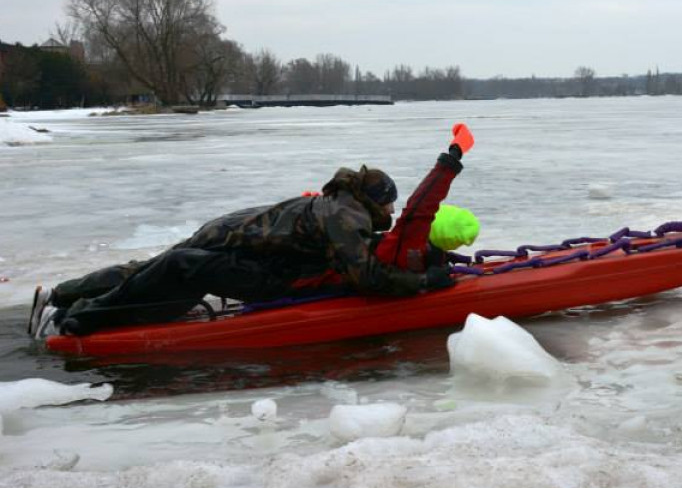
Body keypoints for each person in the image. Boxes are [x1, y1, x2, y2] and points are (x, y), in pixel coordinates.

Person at [28, 125, 475, 338]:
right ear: (374, 201)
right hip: (251, 261)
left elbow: (384, 243)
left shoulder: (338, 204)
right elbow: (368, 279)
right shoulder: (346, 218)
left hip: (233, 240)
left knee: (163, 265)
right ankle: (79, 317)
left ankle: (64, 296)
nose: (392, 213)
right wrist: (422, 283)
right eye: (388, 205)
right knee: (175, 269)